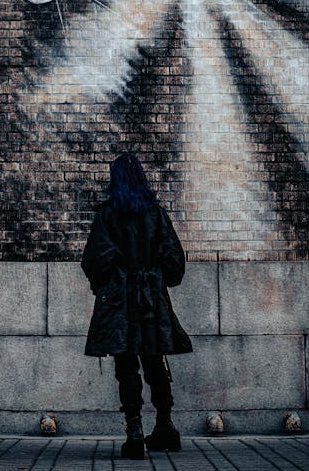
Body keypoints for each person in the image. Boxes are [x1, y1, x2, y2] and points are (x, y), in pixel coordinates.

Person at [81, 153, 192, 460]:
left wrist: (112, 278)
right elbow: (175, 266)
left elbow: (94, 262)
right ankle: (165, 425)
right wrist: (153, 273)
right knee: (156, 361)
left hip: (120, 303)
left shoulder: (107, 216)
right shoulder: (156, 215)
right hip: (151, 301)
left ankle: (134, 431)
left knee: (126, 364)